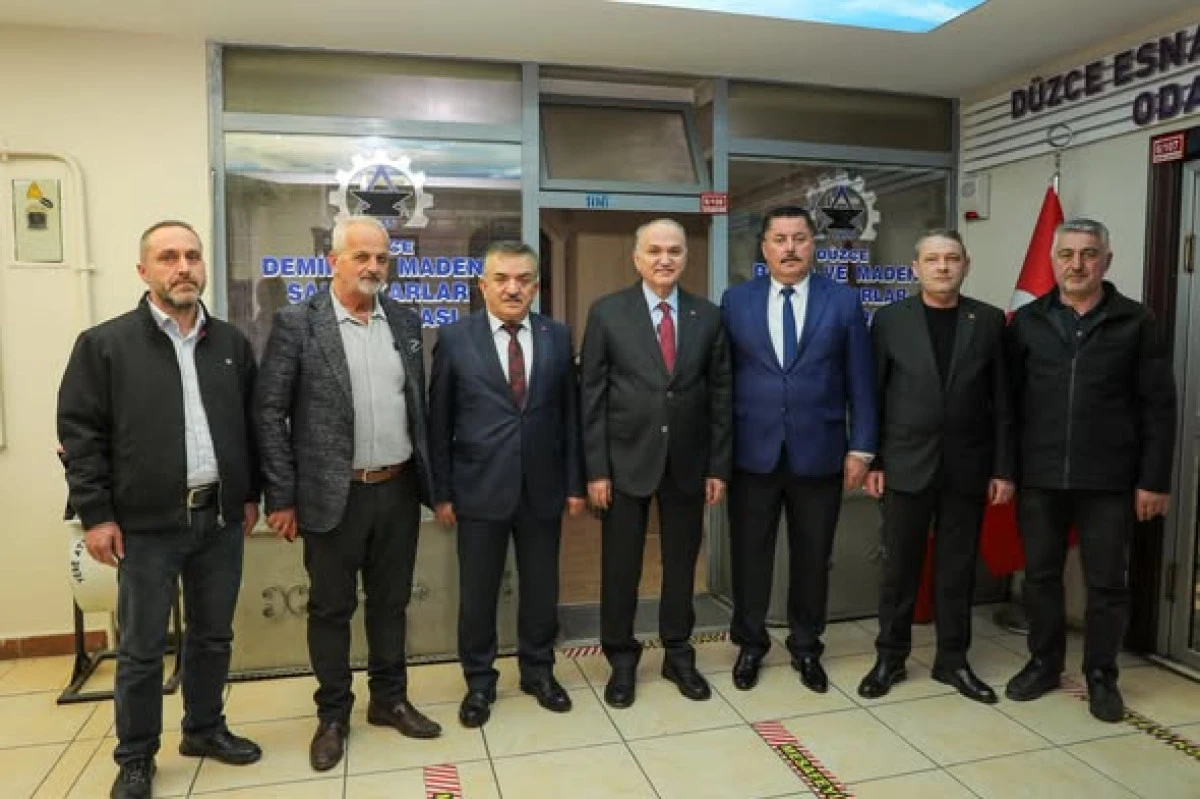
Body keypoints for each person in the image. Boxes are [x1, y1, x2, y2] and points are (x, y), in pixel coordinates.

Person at [57, 220, 262, 799]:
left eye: (192, 255)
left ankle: (204, 729)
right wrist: (97, 515)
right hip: (144, 527)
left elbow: (250, 428)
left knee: (213, 636)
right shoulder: (105, 345)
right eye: (169, 257)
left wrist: (249, 494)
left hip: (218, 518)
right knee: (143, 649)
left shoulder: (230, 345)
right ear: (144, 271)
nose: (184, 267)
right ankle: (136, 757)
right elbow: (80, 436)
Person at [255, 215, 441, 773]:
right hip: (331, 495)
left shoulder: (404, 320)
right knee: (331, 609)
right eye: (361, 256)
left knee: (391, 603)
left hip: (396, 489)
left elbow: (416, 405)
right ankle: (333, 715)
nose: (373, 267)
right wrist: (281, 497)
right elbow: (269, 413)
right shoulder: (298, 324)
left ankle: (389, 700)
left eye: (382, 258)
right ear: (333, 261)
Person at [1004, 218, 1175, 722]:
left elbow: (1158, 406)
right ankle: (1044, 664)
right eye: (1066, 254)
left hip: (1109, 480)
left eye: (1088, 253)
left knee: (1107, 584)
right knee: (1040, 577)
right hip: (1039, 476)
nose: (1076, 264)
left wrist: (1154, 479)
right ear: (1053, 259)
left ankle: (1102, 675)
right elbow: (1008, 406)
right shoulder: (1027, 321)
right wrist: (1005, 470)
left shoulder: (1136, 321)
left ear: (1106, 260)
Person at [428, 241, 586, 728]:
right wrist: (441, 493)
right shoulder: (456, 339)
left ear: (536, 286)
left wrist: (574, 484)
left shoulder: (557, 336)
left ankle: (539, 672)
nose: (512, 288)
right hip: (478, 490)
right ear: (483, 286)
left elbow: (571, 417)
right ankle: (479, 681)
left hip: (543, 488)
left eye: (523, 279)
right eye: (501, 279)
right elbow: (438, 422)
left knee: (541, 589)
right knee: (478, 594)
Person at [720, 206, 877, 694]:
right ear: (764, 247)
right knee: (750, 556)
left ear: (813, 244)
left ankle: (806, 646)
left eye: (799, 238)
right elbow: (723, 381)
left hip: (821, 452)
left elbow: (862, 381)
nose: (789, 248)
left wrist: (862, 448)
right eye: (780, 239)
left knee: (813, 557)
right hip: (752, 453)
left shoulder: (844, 302)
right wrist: (717, 453)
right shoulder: (736, 301)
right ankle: (750, 644)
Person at [580, 218, 732, 709]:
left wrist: (718, 466)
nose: (665, 259)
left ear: (686, 257)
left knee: (682, 564)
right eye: (654, 250)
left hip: (688, 462)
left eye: (674, 250)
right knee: (620, 567)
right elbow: (592, 395)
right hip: (624, 461)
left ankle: (678, 654)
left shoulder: (708, 316)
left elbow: (721, 395)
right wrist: (596, 470)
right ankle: (622, 660)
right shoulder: (607, 313)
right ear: (637, 257)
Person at [858, 229, 1013, 704]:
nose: (942, 267)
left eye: (951, 258)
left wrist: (1003, 469)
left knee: (956, 569)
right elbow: (873, 394)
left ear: (966, 265)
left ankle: (953, 661)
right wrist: (874, 459)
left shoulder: (989, 321)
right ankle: (890, 658)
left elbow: (1004, 401)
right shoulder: (890, 320)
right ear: (915, 268)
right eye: (932, 259)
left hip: (968, 467)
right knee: (898, 569)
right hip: (904, 463)